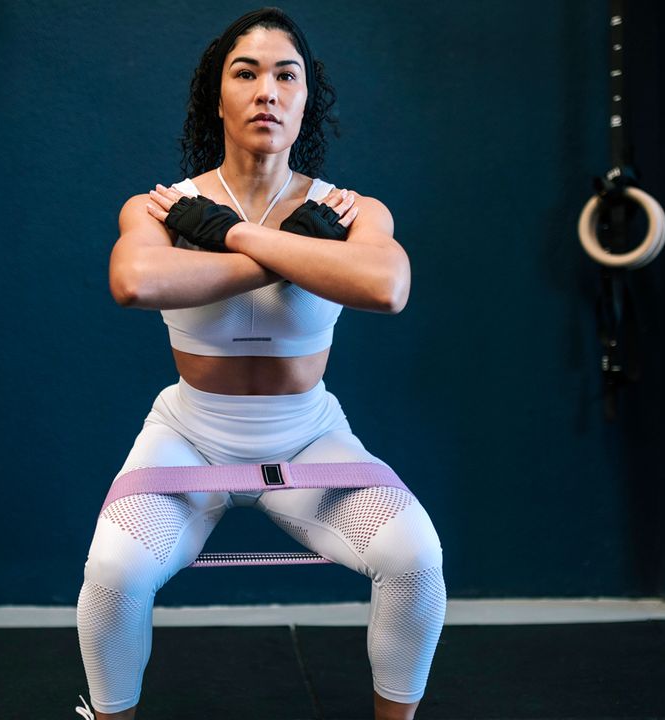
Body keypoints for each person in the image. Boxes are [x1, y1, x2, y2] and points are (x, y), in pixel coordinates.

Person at [75, 7, 446, 720]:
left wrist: (231, 238)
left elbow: (386, 287)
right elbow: (135, 283)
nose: (267, 90)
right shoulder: (162, 208)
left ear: (306, 99)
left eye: (286, 75)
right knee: (114, 573)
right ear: (218, 97)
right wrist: (295, 255)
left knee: (415, 559)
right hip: (190, 436)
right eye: (245, 74)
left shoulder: (349, 209)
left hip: (308, 436)